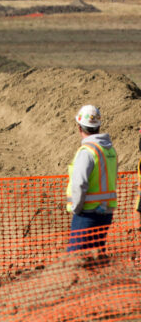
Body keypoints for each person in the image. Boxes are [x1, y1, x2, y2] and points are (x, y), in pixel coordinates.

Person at [66, 104, 117, 252]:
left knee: (76, 260)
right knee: (95, 258)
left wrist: (76, 208)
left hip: (88, 214)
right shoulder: (109, 150)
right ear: (98, 126)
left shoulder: (87, 151)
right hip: (106, 212)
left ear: (79, 128)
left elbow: (79, 183)